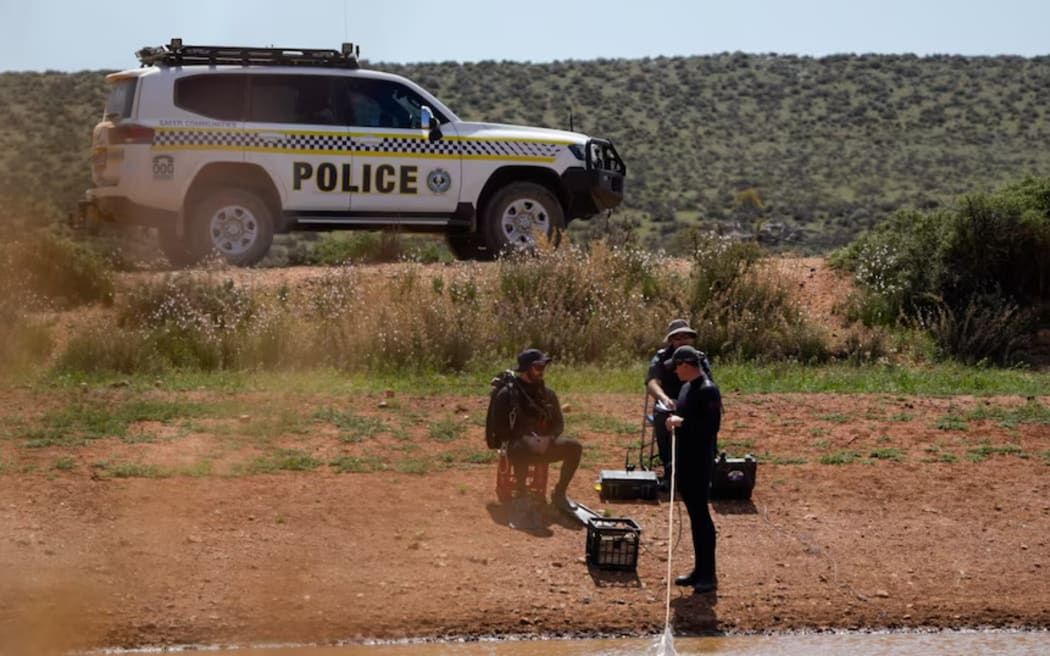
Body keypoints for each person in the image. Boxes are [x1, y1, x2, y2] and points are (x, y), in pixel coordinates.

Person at [489, 348, 583, 521]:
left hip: (545, 446)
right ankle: (521, 495)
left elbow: (558, 424)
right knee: (521, 449)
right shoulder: (507, 395)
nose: (542, 371)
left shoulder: (548, 394)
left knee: (575, 448)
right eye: (538, 367)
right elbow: (499, 428)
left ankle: (559, 493)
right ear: (526, 369)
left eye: (543, 367)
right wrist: (525, 439)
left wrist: (549, 438)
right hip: (517, 448)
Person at [665, 344, 722, 594]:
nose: (675, 371)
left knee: (701, 517)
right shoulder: (687, 387)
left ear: (686, 365)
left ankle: (708, 574)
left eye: (677, 367)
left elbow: (710, 428)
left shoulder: (708, 390)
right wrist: (674, 421)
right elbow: (686, 417)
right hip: (686, 460)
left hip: (700, 463)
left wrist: (682, 423)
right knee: (695, 517)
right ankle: (699, 570)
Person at [646, 319, 702, 486]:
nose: (683, 340)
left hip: (693, 404)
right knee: (663, 420)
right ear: (671, 341)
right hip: (668, 405)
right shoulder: (662, 357)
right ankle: (670, 469)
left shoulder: (699, 357)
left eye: (686, 337)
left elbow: (707, 383)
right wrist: (664, 398)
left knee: (705, 419)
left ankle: (701, 467)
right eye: (678, 338)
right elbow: (652, 382)